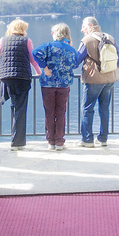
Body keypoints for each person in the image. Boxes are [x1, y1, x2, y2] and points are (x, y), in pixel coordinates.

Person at [0, 19, 41, 150]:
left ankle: (13, 138)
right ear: (23, 29)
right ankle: (17, 143)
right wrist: (39, 72)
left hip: (6, 79)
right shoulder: (27, 41)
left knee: (13, 107)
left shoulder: (2, 40)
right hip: (22, 79)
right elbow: (33, 60)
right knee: (20, 110)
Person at [77, 16, 119, 147]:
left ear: (91, 26)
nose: (82, 30)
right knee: (104, 108)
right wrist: (114, 70)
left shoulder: (86, 40)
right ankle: (103, 138)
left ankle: (87, 140)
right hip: (109, 79)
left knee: (87, 108)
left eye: (84, 27)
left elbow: (77, 60)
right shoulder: (109, 38)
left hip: (93, 80)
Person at [32, 23, 81, 151]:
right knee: (61, 112)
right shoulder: (71, 49)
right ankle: (60, 141)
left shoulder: (48, 46)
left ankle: (50, 142)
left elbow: (35, 52)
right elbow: (75, 63)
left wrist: (45, 67)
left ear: (56, 33)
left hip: (48, 84)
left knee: (49, 112)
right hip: (64, 85)